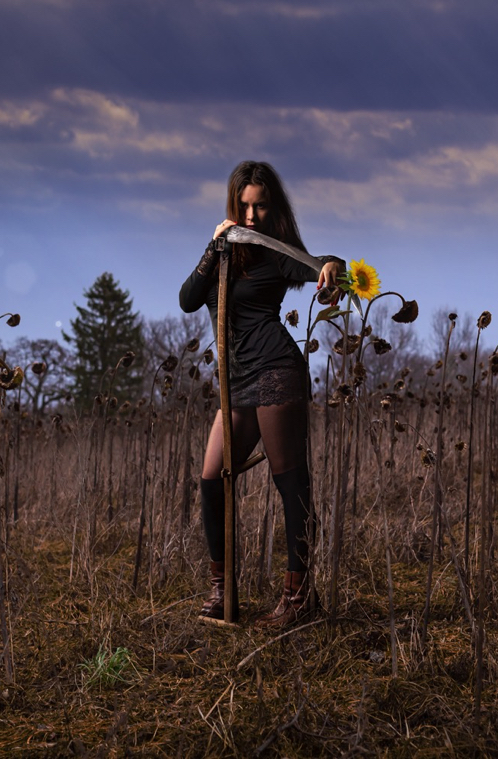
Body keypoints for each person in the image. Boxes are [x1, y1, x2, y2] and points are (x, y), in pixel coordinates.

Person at [179, 161, 344, 627]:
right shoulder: (226, 248)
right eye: (244, 206)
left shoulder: (275, 251)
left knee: (289, 482)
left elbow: (319, 263)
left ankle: (298, 595)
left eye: (261, 206)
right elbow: (189, 298)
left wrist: (333, 265)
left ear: (273, 208)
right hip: (236, 383)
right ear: (234, 204)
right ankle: (222, 589)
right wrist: (216, 245)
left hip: (275, 370)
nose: (252, 216)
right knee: (212, 480)